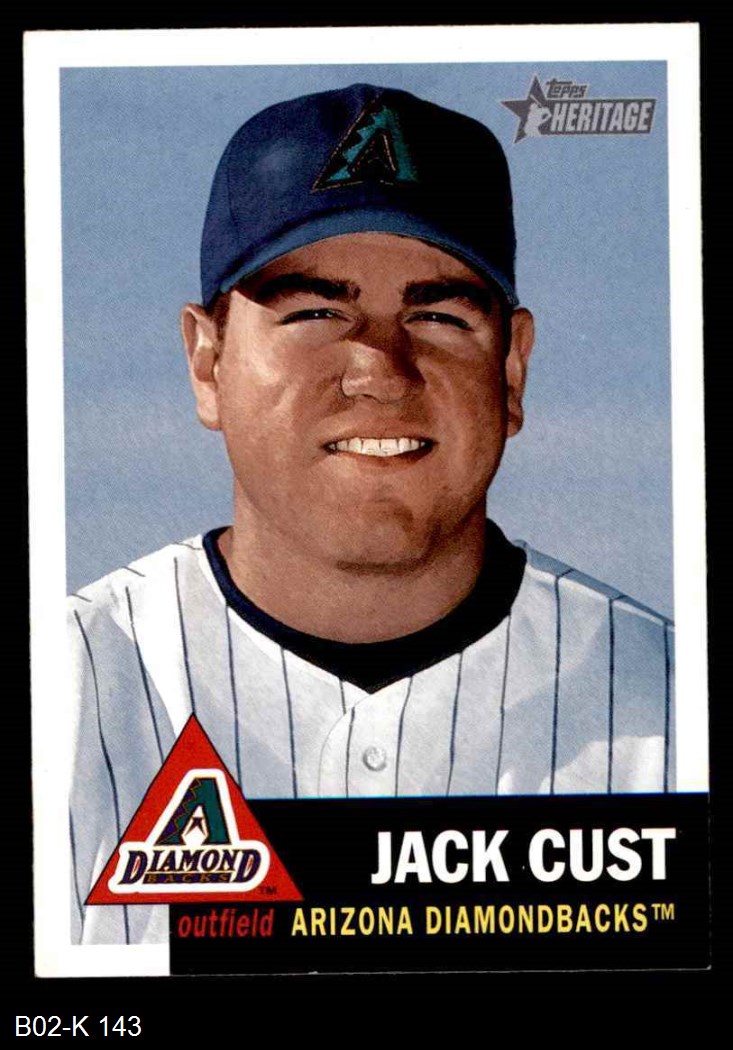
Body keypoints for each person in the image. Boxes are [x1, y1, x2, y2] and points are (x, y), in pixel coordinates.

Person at [68, 83, 674, 945]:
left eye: (437, 315)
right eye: (315, 312)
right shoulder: (63, 691)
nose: (381, 373)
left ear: (511, 371)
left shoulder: (674, 706)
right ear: (207, 363)